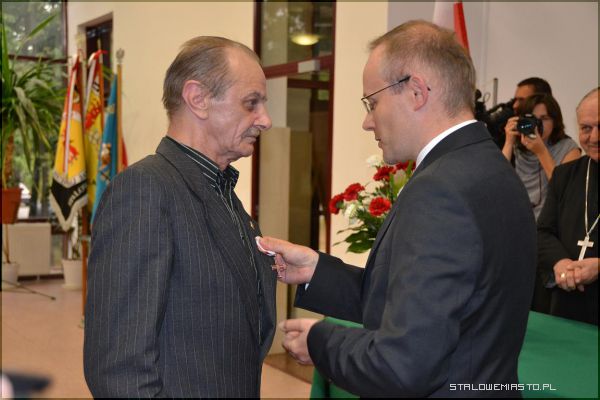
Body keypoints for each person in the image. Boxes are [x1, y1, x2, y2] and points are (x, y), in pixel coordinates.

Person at [258, 20, 536, 397]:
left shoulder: (441, 190)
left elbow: (404, 362)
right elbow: (422, 304)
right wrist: (316, 270)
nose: (367, 121)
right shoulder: (491, 169)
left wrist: (320, 342)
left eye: (372, 103)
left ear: (417, 92)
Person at [84, 36, 276, 397]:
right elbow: (119, 370)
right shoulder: (145, 189)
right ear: (197, 98)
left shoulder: (221, 191)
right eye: (251, 103)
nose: (265, 120)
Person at [537, 87, 599, 325]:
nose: (594, 138)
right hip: (566, 305)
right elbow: (543, 232)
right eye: (586, 128)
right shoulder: (565, 175)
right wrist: (561, 262)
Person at [502, 93, 580, 220]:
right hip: (515, 218)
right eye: (532, 119)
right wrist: (508, 143)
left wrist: (541, 151)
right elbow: (497, 183)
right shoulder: (517, 145)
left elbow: (565, 191)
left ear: (555, 121)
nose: (537, 124)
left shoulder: (568, 147)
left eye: (544, 118)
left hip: (548, 222)